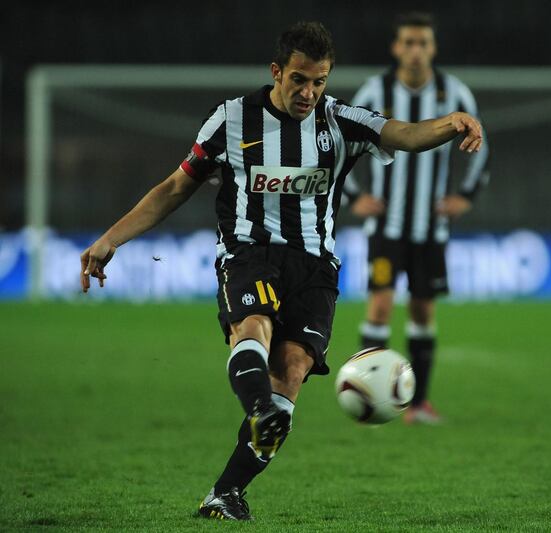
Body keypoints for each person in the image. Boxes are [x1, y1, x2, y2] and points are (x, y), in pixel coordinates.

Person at [79, 21, 483, 521]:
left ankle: (225, 492)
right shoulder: (231, 120)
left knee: (290, 373)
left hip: (315, 267)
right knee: (254, 330)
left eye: (319, 81)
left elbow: (404, 134)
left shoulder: (340, 120)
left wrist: (453, 122)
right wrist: (110, 239)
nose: (309, 92)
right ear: (277, 72)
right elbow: (173, 188)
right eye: (299, 80)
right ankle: (258, 406)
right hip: (250, 254)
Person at [344, 12, 489, 424]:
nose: (415, 50)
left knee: (423, 311)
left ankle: (419, 403)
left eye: (422, 42)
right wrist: (354, 195)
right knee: (381, 306)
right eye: (408, 42)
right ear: (395, 47)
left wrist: (466, 196)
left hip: (430, 227)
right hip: (386, 227)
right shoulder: (376, 90)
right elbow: (340, 139)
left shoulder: (453, 92)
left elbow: (482, 142)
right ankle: (368, 398)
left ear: (433, 48)